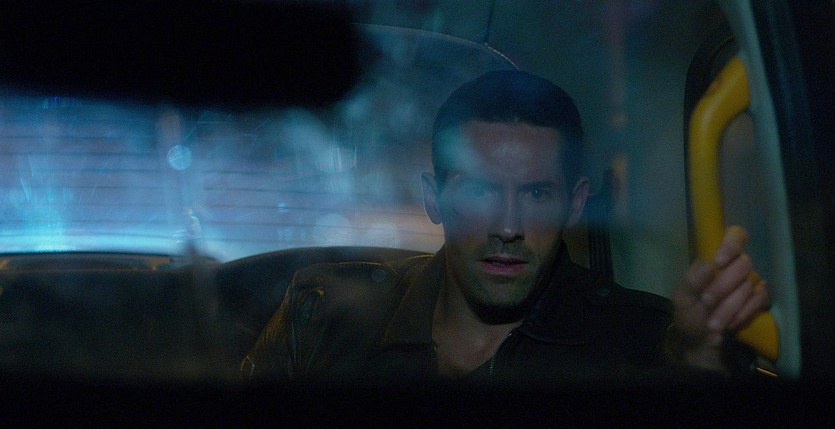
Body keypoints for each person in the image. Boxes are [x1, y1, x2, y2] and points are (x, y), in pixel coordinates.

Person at [240, 70, 769, 383]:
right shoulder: (324, 313)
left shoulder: (641, 341)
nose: (509, 226)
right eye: (480, 191)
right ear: (433, 199)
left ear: (575, 204)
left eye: (536, 194)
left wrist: (698, 360)